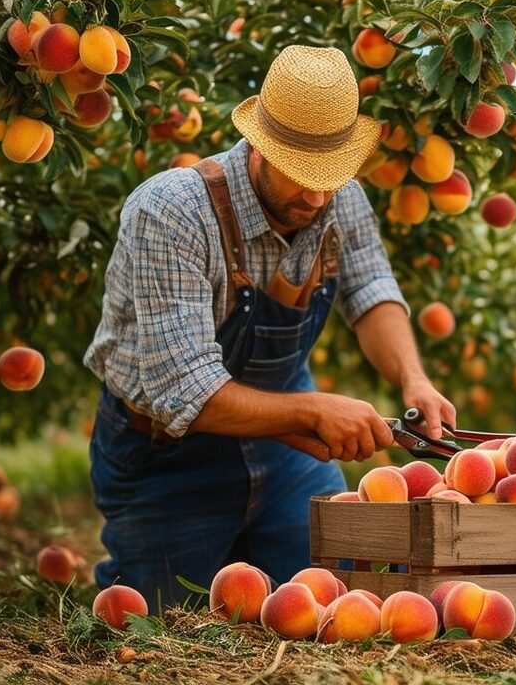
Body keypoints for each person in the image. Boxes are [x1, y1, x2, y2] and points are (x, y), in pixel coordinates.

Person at [83, 45, 455, 608]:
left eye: (331, 176)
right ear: (258, 145)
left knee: (336, 603)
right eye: (302, 175)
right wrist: (313, 411)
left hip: (286, 457)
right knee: (160, 617)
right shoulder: (170, 212)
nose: (317, 195)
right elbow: (186, 393)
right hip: (168, 458)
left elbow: (372, 292)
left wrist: (414, 380)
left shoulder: (338, 197)